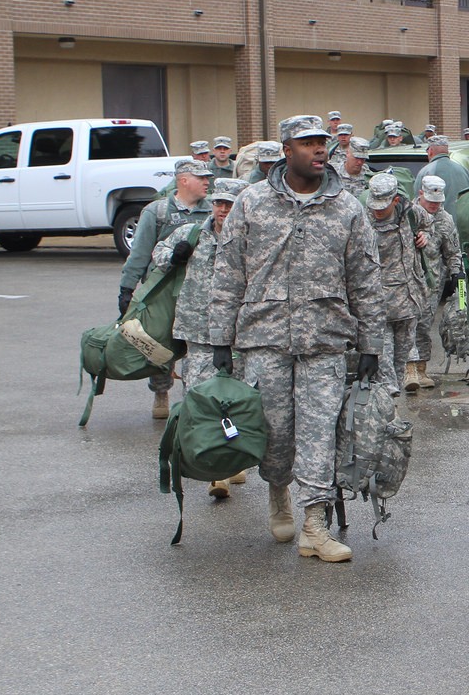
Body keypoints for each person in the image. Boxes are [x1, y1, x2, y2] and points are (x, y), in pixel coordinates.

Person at [207, 115, 384, 563]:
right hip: (264, 339)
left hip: (325, 339)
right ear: (286, 150)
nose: (319, 151)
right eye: (307, 144)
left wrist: (371, 345)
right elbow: (228, 274)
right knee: (276, 431)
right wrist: (219, 340)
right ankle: (278, 493)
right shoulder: (252, 203)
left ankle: (314, 525)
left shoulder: (347, 208)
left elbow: (366, 280)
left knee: (319, 432)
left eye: (322, 143)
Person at [152, 177, 250, 498]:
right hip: (197, 332)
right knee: (200, 397)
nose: (223, 209)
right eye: (219, 203)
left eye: (230, 204)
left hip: (238, 334)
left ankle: (235, 459)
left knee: (236, 400)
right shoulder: (192, 233)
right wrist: (175, 255)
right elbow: (159, 254)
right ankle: (214, 470)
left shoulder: (251, 238)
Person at [119, 157, 213, 418]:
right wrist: (127, 289)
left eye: (208, 178)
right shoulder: (157, 211)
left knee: (200, 344)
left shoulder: (212, 209)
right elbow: (139, 253)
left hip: (200, 290)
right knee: (161, 341)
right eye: (201, 177)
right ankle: (161, 390)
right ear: (183, 180)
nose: (207, 182)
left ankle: (198, 396)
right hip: (164, 289)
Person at [361, 172, 431, 394]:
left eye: (384, 205)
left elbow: (430, 224)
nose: (378, 210)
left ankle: (391, 410)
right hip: (377, 307)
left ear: (396, 200)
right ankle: (387, 413)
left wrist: (425, 235)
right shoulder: (361, 221)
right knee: (384, 366)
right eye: (375, 204)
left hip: (408, 302)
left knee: (400, 362)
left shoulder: (411, 214)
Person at [410, 175, 465, 388]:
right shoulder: (407, 216)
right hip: (405, 282)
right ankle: (408, 369)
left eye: (438, 202)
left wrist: (457, 277)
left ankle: (421, 368)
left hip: (431, 284)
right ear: (421, 194)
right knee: (407, 325)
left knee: (423, 326)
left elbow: (453, 252)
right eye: (431, 201)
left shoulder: (445, 220)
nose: (434, 205)